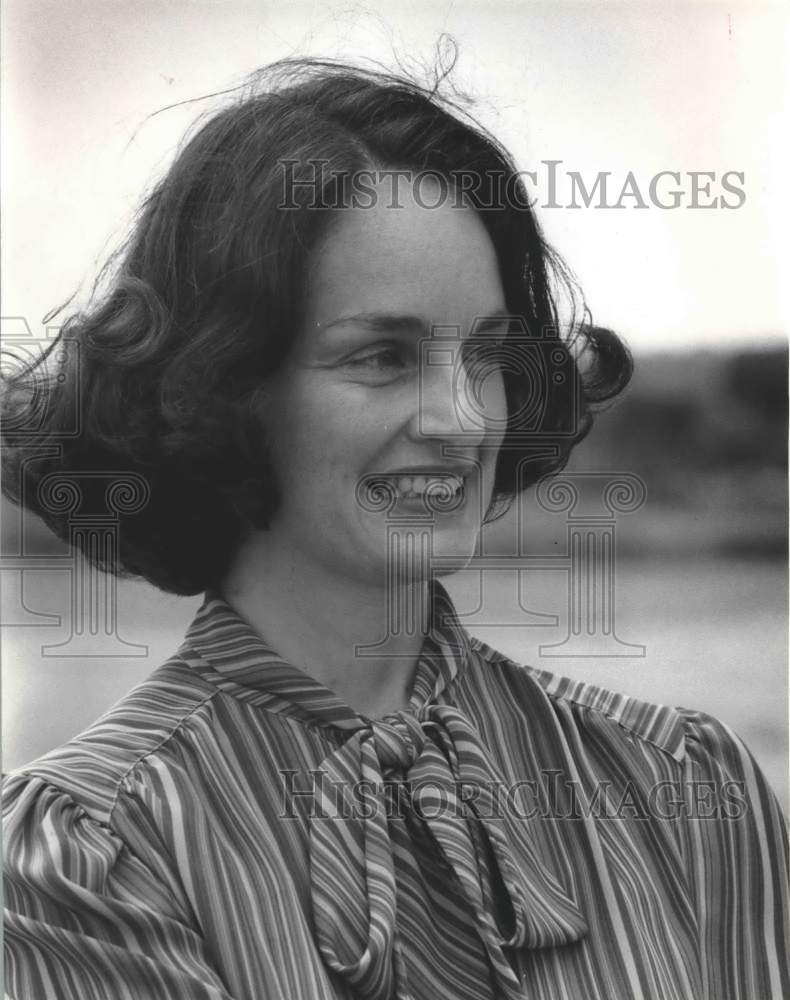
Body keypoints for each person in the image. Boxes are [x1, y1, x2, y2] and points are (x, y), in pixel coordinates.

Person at [2, 57, 788, 1000]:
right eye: (382, 356)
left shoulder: (685, 788)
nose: (462, 419)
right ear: (220, 386)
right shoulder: (88, 857)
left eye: (488, 354)